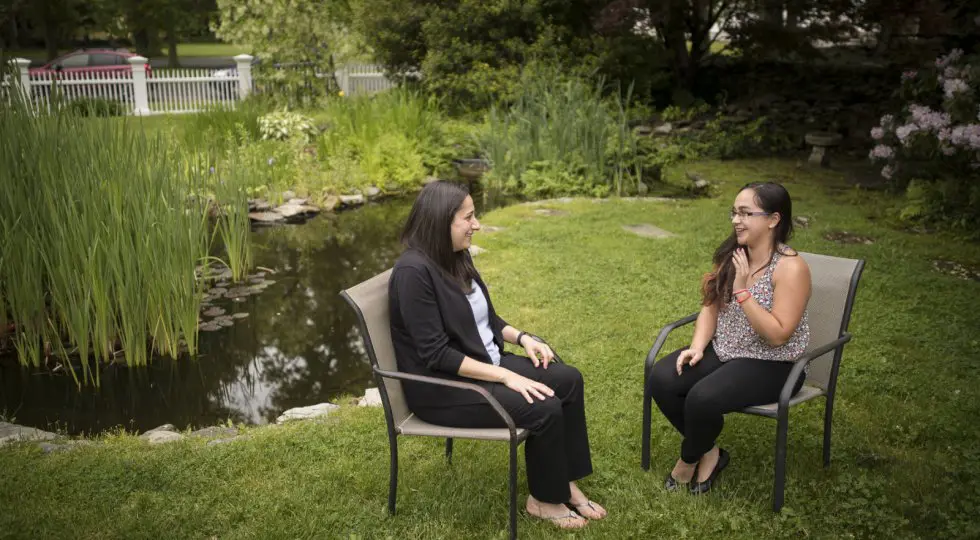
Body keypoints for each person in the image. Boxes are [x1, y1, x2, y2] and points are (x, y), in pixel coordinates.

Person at [389, 181, 607, 529]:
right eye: (469, 217)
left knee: (568, 379)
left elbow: (487, 319)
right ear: (440, 221)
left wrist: (523, 338)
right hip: (442, 388)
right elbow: (436, 355)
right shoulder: (413, 273)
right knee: (544, 406)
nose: (476, 225)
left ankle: (564, 482)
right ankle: (544, 501)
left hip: (481, 362)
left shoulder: (456, 255)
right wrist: (508, 375)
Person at [647, 182, 811, 494]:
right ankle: (711, 451)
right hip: (726, 350)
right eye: (734, 213)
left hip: (773, 363)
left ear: (773, 220)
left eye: (746, 213)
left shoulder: (791, 268)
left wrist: (743, 290)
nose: (736, 220)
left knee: (702, 398)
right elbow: (710, 307)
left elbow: (777, 336)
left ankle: (688, 459)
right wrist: (697, 346)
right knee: (662, 379)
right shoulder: (733, 255)